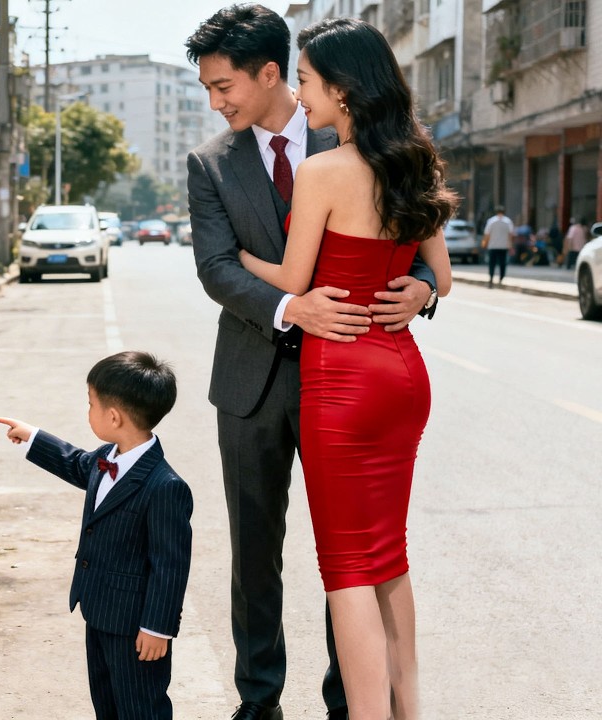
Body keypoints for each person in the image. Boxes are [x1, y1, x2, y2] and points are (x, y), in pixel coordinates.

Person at [184, 6, 437, 719]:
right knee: (256, 556)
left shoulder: (353, 135)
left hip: (350, 376)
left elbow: (417, 242)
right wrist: (290, 308)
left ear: (272, 74)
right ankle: (259, 704)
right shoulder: (210, 161)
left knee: (351, 551)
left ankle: (347, 704)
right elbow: (214, 269)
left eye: (223, 85)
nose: (216, 101)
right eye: (206, 89)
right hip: (251, 380)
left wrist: (419, 289)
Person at [0, 351, 192, 720]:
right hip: (98, 609)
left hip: (136, 627)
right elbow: (75, 462)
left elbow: (171, 565)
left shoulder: (165, 486)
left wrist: (157, 628)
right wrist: (34, 436)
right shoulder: (107, 457)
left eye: (91, 404)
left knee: (141, 707)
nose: (88, 411)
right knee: (108, 703)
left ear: (113, 416)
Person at [482, 206, 514, 285]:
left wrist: (484, 243)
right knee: (502, 263)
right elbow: (511, 234)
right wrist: (510, 245)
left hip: (493, 246)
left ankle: (491, 278)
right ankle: (501, 278)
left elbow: (487, 234)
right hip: (503, 246)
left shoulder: (491, 221)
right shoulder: (508, 221)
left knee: (492, 263)